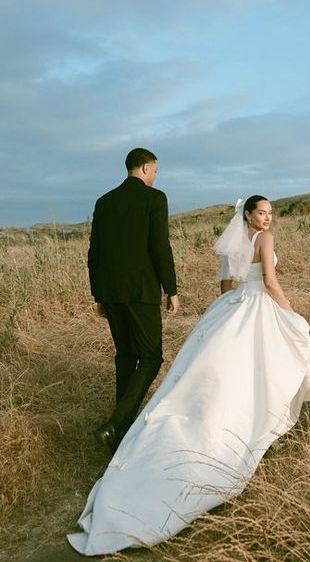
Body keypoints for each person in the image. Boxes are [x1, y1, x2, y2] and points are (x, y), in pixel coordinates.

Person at [68, 196, 310, 556]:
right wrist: (290, 312)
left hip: (233, 307)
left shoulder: (234, 242)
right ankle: (259, 430)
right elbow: (269, 279)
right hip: (260, 306)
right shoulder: (265, 240)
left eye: (270, 213)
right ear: (249, 216)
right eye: (262, 213)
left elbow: (226, 285)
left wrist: (230, 307)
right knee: (263, 370)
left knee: (222, 375)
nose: (268, 219)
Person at [87, 147, 179, 453]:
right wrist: (171, 289)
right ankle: (115, 424)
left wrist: (98, 294)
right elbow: (159, 247)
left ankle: (119, 433)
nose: (155, 176)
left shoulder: (104, 202)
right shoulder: (155, 199)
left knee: (125, 355)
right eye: (154, 170)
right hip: (141, 291)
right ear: (144, 167)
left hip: (111, 291)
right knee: (151, 356)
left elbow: (94, 252)